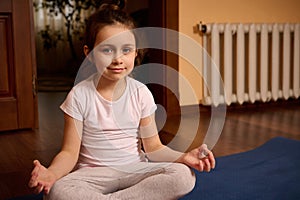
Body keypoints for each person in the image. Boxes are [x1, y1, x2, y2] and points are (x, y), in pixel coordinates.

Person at [28, 1, 215, 199]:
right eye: (107, 50)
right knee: (58, 192)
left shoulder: (141, 93)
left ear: (135, 52)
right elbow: (68, 153)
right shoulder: (79, 95)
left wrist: (184, 157)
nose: (118, 59)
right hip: (92, 175)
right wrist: (52, 173)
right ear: (89, 54)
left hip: (135, 170)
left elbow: (154, 148)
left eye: (126, 50)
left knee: (183, 176)